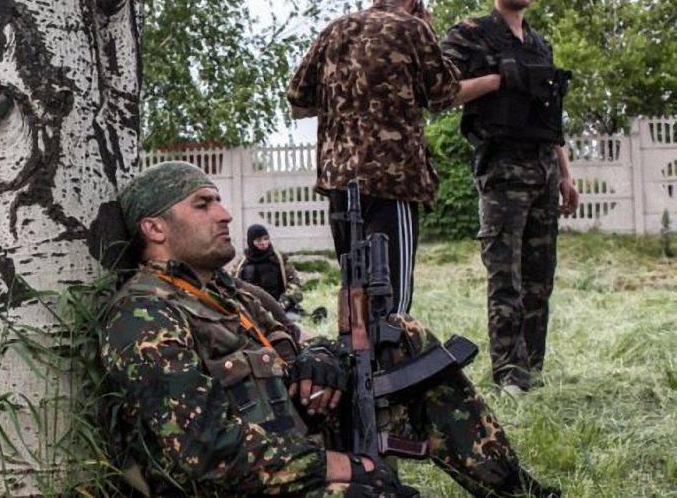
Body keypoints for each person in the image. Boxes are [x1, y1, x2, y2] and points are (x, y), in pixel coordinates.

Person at [101, 161, 560, 498]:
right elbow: (205, 450)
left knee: (403, 338)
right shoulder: (144, 315)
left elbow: (288, 345)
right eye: (203, 205)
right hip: (242, 482)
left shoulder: (230, 293)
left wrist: (317, 362)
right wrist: (345, 467)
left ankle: (514, 490)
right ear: (155, 228)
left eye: (219, 200)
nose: (224, 214)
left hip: (298, 440)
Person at [288, 0, 502, 314]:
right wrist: (494, 81)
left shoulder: (335, 29)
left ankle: (358, 364)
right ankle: (390, 361)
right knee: (391, 301)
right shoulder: (413, 28)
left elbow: (297, 96)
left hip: (340, 181)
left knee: (354, 296)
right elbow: (442, 94)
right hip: (393, 180)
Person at [441, 0, 579, 396]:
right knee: (506, 277)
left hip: (541, 166)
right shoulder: (472, 35)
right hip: (501, 168)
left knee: (541, 276)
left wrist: (565, 174)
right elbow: (440, 92)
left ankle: (532, 369)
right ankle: (509, 375)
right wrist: (499, 79)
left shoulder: (540, 44)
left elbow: (550, 116)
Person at [234, 224, 304, 316]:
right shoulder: (241, 264)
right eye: (258, 240)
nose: (263, 243)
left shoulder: (279, 259)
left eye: (266, 238)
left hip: (280, 309)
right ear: (251, 242)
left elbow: (294, 285)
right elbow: (232, 287)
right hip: (252, 312)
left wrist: (284, 303)